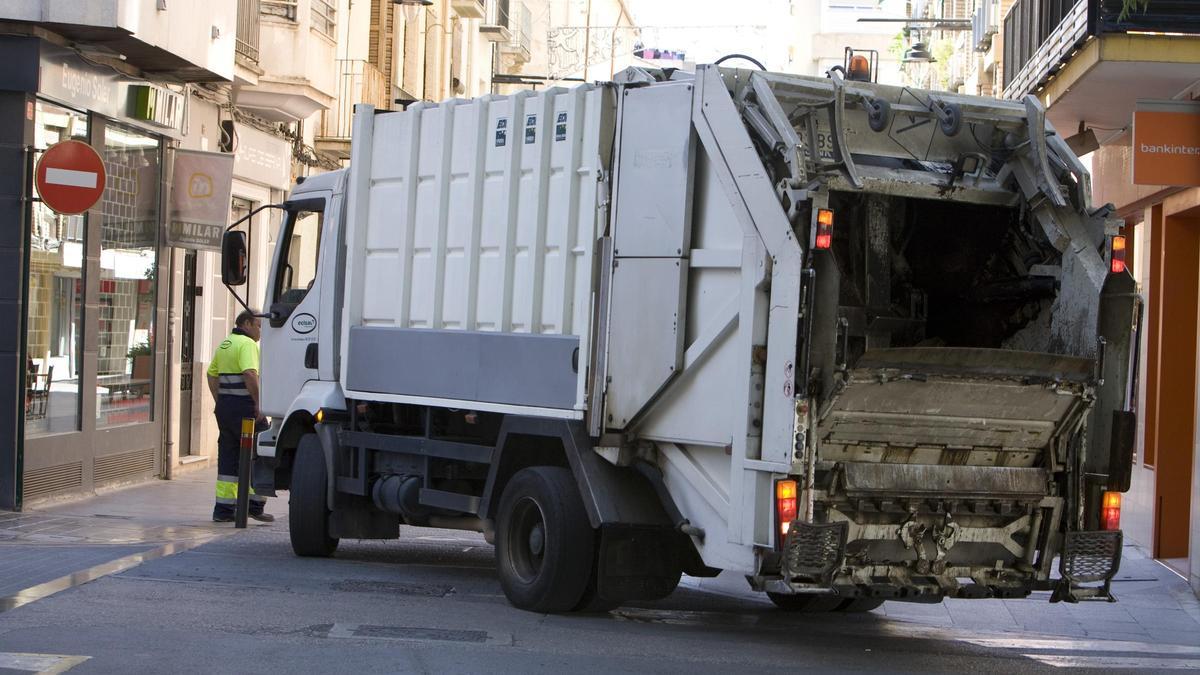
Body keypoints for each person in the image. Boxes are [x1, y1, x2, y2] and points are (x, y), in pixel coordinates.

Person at [206, 310, 273, 523]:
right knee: (259, 453)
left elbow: (211, 374)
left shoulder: (226, 344)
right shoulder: (247, 345)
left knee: (229, 456)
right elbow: (250, 373)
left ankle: (224, 510)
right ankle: (254, 505)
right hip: (246, 410)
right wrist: (258, 403)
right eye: (259, 326)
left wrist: (220, 399)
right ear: (246, 324)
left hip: (226, 410)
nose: (261, 331)